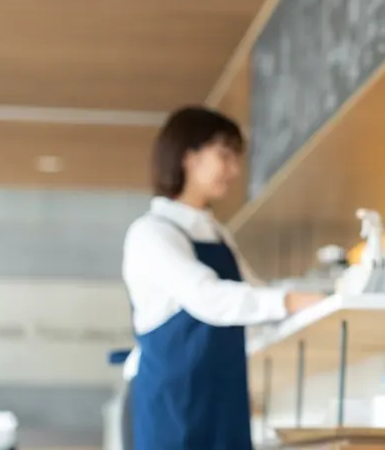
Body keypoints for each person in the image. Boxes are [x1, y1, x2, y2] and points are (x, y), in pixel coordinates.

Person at [120, 106, 325, 450]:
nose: (234, 170)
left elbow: (252, 293)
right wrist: (289, 301)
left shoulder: (217, 234)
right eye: (225, 156)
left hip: (222, 398)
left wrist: (312, 297)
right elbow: (209, 298)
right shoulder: (151, 233)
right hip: (173, 403)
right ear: (189, 157)